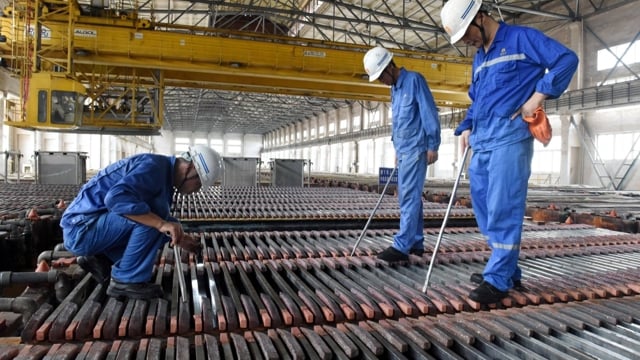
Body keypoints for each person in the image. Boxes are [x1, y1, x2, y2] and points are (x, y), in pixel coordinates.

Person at [440, 0, 579, 304]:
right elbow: (477, 97)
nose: (467, 42)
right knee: (484, 207)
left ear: (479, 17)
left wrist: (537, 97)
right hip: (483, 141)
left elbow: (567, 59)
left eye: (466, 34)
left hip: (510, 139)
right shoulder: (480, 58)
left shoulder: (521, 39)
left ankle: (498, 278)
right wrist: (466, 126)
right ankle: (507, 266)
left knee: (504, 207)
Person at [60, 145, 223, 299]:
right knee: (154, 221)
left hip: (90, 227)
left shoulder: (162, 172)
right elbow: (115, 198)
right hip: (80, 230)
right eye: (199, 184)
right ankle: (126, 281)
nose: (196, 190)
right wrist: (160, 224)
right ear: (191, 169)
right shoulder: (154, 167)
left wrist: (180, 237)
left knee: (161, 220)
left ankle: (100, 258)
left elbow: (160, 217)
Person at [363, 46, 441, 263]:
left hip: (417, 149)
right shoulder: (395, 88)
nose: (381, 82)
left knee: (407, 196)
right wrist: (397, 150)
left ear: (389, 67)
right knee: (412, 196)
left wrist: (433, 144)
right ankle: (416, 242)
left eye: (380, 77)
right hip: (404, 150)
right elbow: (398, 123)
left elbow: (428, 112)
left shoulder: (414, 81)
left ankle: (402, 246)